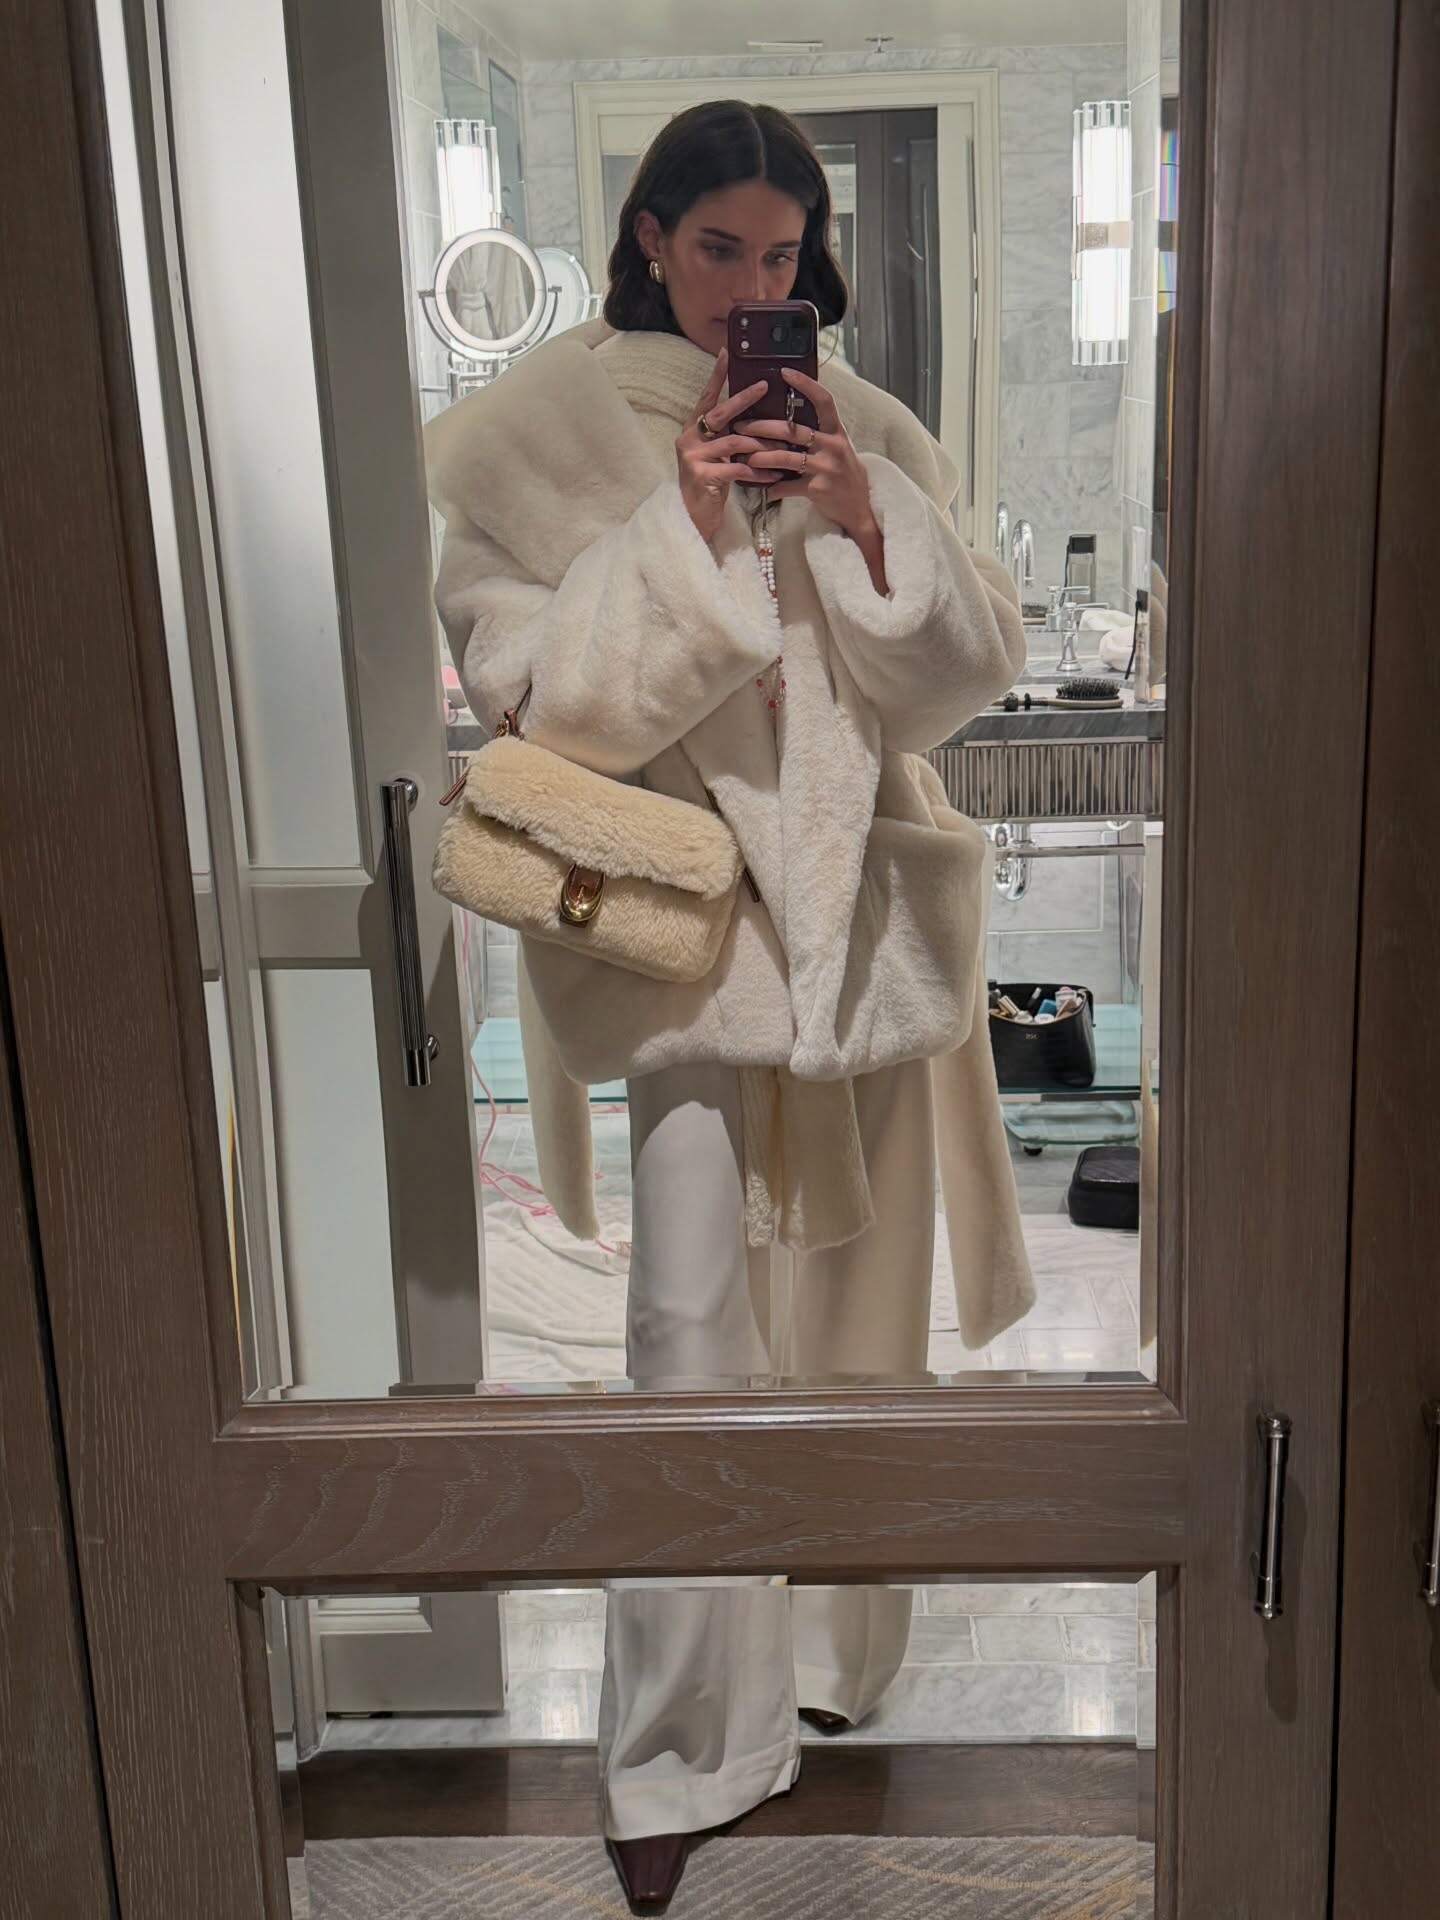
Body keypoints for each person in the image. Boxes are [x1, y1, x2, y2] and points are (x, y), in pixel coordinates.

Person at [425, 99, 1034, 1911]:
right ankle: (679, 1747)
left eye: (782, 257)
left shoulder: (874, 428)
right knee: (686, 1337)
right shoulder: (529, 441)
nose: (750, 289)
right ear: (647, 233)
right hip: (684, 941)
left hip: (863, 935)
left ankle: (836, 1661)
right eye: (718, 251)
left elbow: (958, 684)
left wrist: (863, 518)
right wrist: (684, 525)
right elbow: (545, 708)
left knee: (861, 1323)